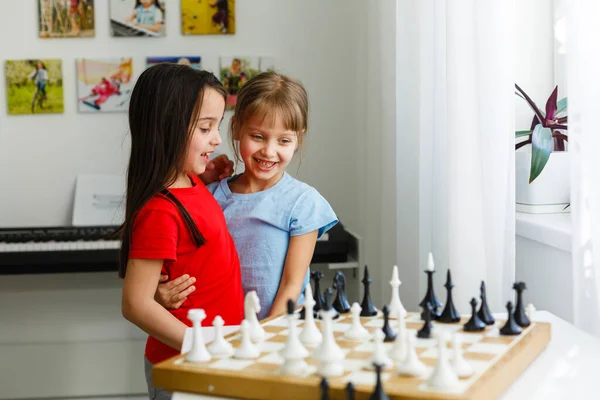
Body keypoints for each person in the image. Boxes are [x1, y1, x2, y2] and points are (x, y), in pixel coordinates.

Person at [158, 72, 338, 320]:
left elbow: (291, 286)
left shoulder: (303, 202)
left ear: (298, 140)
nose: (269, 151)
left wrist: (264, 338)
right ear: (236, 129)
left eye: (284, 140)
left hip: (276, 337)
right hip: (218, 334)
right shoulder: (209, 195)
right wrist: (158, 293)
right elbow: (170, 254)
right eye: (258, 136)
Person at [119, 63, 243, 400]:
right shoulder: (160, 210)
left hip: (211, 355)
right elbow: (135, 304)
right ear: (167, 128)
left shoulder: (187, 183)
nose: (217, 139)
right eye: (206, 128)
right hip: (188, 362)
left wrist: (205, 175)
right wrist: (204, 345)